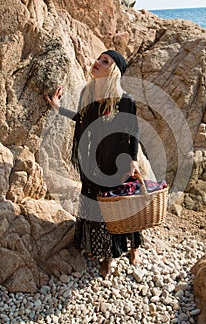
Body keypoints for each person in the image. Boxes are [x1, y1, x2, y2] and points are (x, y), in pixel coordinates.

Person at [45, 50, 143, 278]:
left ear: (114, 71)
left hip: (119, 164)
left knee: (121, 209)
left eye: (105, 61)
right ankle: (106, 254)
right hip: (95, 161)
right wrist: (58, 108)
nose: (97, 62)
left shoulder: (125, 100)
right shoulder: (89, 93)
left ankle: (132, 248)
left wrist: (133, 160)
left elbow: (134, 132)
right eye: (98, 58)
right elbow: (82, 118)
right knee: (99, 206)